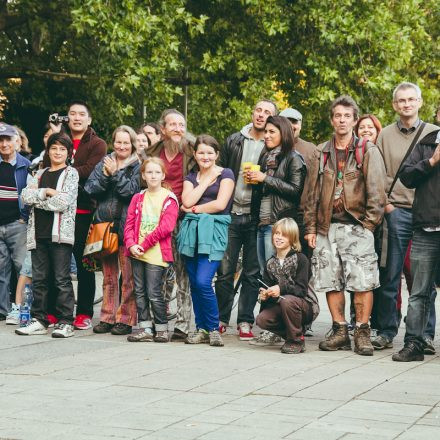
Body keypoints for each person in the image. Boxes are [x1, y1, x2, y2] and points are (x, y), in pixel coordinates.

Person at [304, 95, 386, 356]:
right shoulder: (321, 152)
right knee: (331, 281)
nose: (341, 120)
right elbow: (311, 194)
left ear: (354, 120)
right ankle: (340, 329)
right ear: (332, 119)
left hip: (357, 226)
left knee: (363, 282)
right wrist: (310, 228)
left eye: (347, 116)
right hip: (327, 228)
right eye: (337, 115)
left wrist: (369, 226)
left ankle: (362, 331)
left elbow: (377, 192)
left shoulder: (367, 150)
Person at [373, 82, 438, 351]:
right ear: (394, 105)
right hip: (397, 211)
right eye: (401, 100)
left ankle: (425, 335)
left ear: (420, 102)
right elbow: (376, 174)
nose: (406, 104)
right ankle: (387, 331)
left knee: (424, 278)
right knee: (391, 274)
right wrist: (386, 205)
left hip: (428, 214)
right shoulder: (385, 136)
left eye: (411, 99)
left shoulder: (434, 134)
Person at [215, 99, 278, 340]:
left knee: (253, 272)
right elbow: (220, 173)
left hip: (255, 216)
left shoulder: (272, 144)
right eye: (258, 110)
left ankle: (244, 321)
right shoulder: (234, 140)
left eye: (267, 112)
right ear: (252, 113)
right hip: (230, 213)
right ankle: (221, 318)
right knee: (224, 270)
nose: (261, 115)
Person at [51, 100, 107, 330]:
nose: (76, 117)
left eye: (81, 114)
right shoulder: (58, 140)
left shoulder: (97, 144)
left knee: (85, 264)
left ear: (89, 120)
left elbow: (89, 171)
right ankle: (56, 310)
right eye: (72, 113)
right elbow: (48, 165)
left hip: (84, 210)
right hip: (59, 210)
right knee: (58, 263)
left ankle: (84, 312)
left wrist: (62, 169)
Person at [16, 133, 78, 337]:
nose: (57, 152)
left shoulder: (71, 173)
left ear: (68, 152)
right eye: (54, 148)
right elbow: (25, 196)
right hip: (38, 233)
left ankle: (66, 321)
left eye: (62, 149)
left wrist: (40, 199)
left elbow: (64, 202)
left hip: (60, 234)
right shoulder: (40, 173)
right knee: (40, 278)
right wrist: (47, 192)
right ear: (48, 150)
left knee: (61, 279)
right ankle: (39, 319)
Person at [178, 134, 235, 346]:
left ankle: (213, 328)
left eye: (210, 153)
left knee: (203, 281)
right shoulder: (191, 177)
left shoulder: (226, 174)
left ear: (217, 154)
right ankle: (201, 328)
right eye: (201, 152)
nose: (205, 156)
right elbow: (186, 199)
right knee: (194, 283)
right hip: (191, 232)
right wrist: (205, 183)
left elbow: (220, 205)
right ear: (194, 154)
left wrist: (192, 209)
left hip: (214, 231)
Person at [85, 125, 140, 335]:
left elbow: (131, 192)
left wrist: (116, 174)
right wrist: (107, 175)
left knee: (128, 278)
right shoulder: (105, 162)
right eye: (118, 142)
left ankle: (125, 319)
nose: (122, 146)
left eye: (126, 142)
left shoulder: (137, 165)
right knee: (108, 276)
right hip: (104, 225)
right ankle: (107, 317)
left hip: (127, 227)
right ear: (113, 142)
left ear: (132, 144)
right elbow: (91, 188)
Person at [146, 109, 196, 341]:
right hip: (156, 219)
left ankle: (184, 324)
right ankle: (160, 321)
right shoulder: (151, 153)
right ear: (163, 129)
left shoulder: (193, 152)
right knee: (159, 271)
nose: (178, 128)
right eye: (172, 125)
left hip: (183, 219)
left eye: (181, 124)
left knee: (183, 272)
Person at [393, 128, 440, 361]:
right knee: (419, 292)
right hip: (426, 228)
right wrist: (431, 161)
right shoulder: (427, 143)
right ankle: (414, 344)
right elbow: (406, 175)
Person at [124, 157, 179, 342]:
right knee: (139, 291)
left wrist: (144, 244)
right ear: (143, 175)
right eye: (149, 172)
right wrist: (131, 244)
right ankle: (145, 328)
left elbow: (166, 227)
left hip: (156, 254)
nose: (153, 175)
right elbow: (129, 224)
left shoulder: (169, 199)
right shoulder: (138, 197)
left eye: (157, 172)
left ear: (163, 175)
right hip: (137, 252)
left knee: (154, 292)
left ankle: (162, 328)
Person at [249, 115, 306, 275]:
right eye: (265, 131)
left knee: (275, 275)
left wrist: (265, 178)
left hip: (278, 225)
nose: (266, 135)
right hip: (262, 223)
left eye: (272, 132)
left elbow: (295, 191)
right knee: (264, 273)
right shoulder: (266, 157)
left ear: (284, 133)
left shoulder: (294, 158)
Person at [255, 218, 315, 354]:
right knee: (261, 320)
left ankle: (296, 341)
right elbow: (268, 289)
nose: (279, 237)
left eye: (284, 235)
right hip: (281, 305)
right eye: (276, 233)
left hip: (303, 305)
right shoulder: (270, 263)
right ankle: (293, 334)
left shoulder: (301, 259)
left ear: (292, 238)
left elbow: (301, 290)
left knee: (287, 300)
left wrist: (280, 288)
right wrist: (265, 295)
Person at [0, 123, 30, 321]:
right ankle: (2, 311)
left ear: (16, 141)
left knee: (22, 267)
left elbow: (32, 193)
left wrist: (24, 218)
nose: (3, 144)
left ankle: (25, 309)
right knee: (1, 270)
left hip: (17, 224)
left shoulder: (26, 165)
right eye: (0, 140)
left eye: (7, 139)